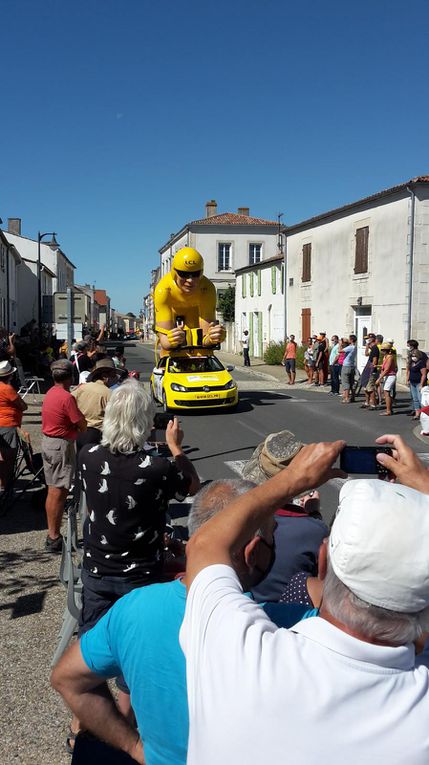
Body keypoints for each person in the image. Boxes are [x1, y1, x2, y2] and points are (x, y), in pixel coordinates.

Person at [181, 434, 429, 765]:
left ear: (323, 562)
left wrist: (292, 478)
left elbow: (204, 543)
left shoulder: (240, 655)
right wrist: (424, 486)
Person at [51, 478, 310, 765]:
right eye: (273, 534)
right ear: (252, 552)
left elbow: (67, 679)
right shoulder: (288, 628)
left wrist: (133, 745)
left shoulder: (136, 607)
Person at [242, 430, 328, 603]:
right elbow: (322, 578)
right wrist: (315, 515)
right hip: (294, 614)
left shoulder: (238, 518)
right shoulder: (315, 530)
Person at [41, 360, 86, 552]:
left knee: (54, 489)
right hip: (60, 445)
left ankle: (53, 534)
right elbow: (80, 422)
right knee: (59, 491)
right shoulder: (66, 397)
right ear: (70, 376)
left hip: (49, 442)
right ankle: (53, 536)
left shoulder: (51, 393)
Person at [153, 247, 225, 354]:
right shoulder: (162, 290)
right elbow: (165, 342)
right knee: (169, 354)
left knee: (203, 354)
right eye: (184, 274)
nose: (190, 280)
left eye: (196, 274)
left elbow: (205, 339)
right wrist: (171, 340)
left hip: (196, 325)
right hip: (173, 324)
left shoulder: (207, 288)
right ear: (174, 272)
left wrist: (213, 338)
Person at [71, 358, 118, 450]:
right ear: (105, 376)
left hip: (79, 432)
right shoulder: (109, 393)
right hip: (97, 434)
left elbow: (70, 402)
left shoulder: (81, 388)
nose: (115, 378)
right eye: (113, 375)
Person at [0, 360, 27, 491]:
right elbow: (22, 405)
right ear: (10, 375)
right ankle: (6, 484)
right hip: (8, 424)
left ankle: (2, 481)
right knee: (9, 456)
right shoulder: (7, 388)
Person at [406, 340, 427, 419]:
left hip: (419, 382)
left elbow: (424, 373)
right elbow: (408, 370)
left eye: (408, 345)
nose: (413, 357)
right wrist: (407, 379)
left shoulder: (421, 360)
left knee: (420, 398)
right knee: (415, 398)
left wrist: (421, 384)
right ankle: (416, 413)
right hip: (412, 382)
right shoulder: (411, 362)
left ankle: (423, 414)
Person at [376, 341, 397, 416]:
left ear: (386, 350)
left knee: (386, 392)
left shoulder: (390, 357)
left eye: (382, 350)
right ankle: (390, 408)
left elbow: (387, 369)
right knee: (386, 393)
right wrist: (377, 365)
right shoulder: (386, 357)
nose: (381, 351)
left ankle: (388, 410)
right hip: (387, 376)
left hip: (390, 376)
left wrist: (379, 378)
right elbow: (385, 366)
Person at [361, 332, 380, 410]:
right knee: (365, 386)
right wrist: (367, 346)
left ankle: (373, 404)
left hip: (371, 370)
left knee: (370, 388)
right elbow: (366, 354)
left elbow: (375, 360)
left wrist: (371, 369)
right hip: (368, 369)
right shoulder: (372, 348)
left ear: (374, 339)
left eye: (370, 338)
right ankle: (367, 402)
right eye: (367, 338)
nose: (368, 340)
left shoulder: (375, 348)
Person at [340, 334, 357, 403]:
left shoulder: (350, 347)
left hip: (346, 366)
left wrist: (340, 344)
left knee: (345, 382)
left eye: (349, 339)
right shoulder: (355, 347)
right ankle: (353, 397)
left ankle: (346, 398)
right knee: (351, 382)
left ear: (351, 340)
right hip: (352, 366)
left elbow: (340, 351)